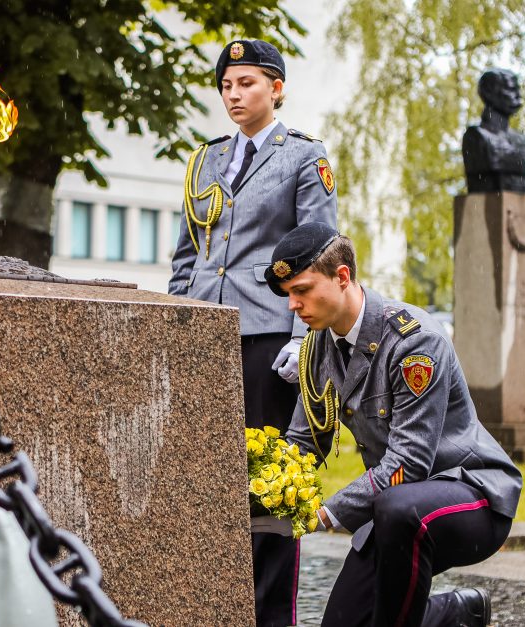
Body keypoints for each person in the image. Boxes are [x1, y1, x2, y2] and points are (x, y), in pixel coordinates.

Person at [264, 223, 522, 627]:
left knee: (397, 508)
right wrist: (260, 492)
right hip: (392, 513)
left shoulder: (414, 342)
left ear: (342, 276)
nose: (292, 305)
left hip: (472, 496)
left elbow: (409, 466)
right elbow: (302, 442)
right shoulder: (317, 347)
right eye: (289, 294)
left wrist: (326, 514)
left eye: (302, 290)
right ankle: (456, 612)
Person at [168, 39, 338, 626]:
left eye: (247, 83)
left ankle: (272, 616)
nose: (234, 95)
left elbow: (320, 252)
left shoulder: (303, 158)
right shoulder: (205, 160)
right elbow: (189, 256)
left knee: (270, 485)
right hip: (204, 337)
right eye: (226, 85)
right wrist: (176, 324)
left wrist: (301, 336)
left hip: (270, 339)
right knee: (206, 477)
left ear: (276, 88)